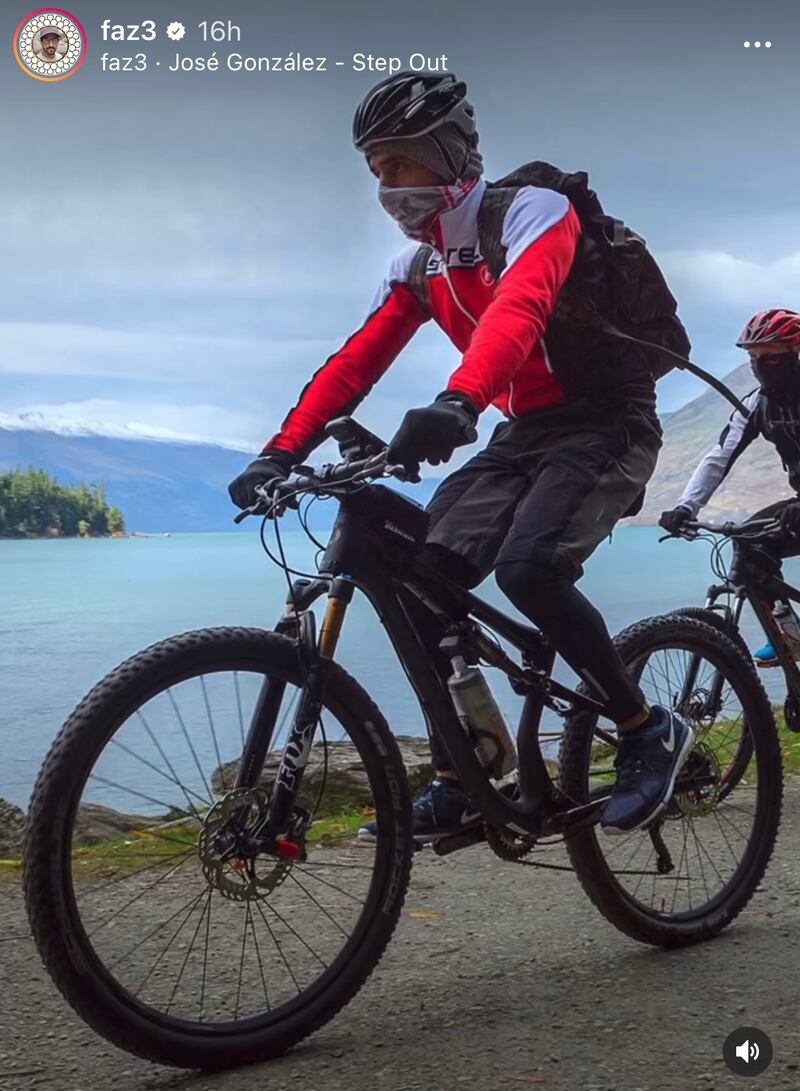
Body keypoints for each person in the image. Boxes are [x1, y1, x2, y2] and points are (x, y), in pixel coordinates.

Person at [229, 71, 693, 837]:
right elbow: (356, 362)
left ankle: (646, 727)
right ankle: (468, 763)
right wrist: (279, 451)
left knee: (529, 569)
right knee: (421, 579)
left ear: (448, 152)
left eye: (401, 163)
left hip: (608, 420)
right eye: (376, 170)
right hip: (522, 430)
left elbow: (522, 307)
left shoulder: (534, 212)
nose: (388, 186)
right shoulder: (418, 266)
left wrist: (459, 399)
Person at [661, 308, 800, 666]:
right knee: (751, 544)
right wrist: (685, 507)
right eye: (754, 358)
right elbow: (719, 456)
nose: (760, 365)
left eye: (770, 357)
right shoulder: (756, 404)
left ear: (794, 353)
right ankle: (789, 635)